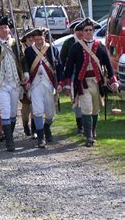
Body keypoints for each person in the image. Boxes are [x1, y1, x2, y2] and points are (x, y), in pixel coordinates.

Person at [62, 18, 119, 147]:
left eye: (90, 30)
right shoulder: (75, 47)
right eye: (85, 30)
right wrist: (66, 83)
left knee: (95, 109)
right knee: (87, 108)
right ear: (82, 32)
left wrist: (113, 81)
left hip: (97, 83)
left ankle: (93, 131)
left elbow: (108, 66)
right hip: (82, 84)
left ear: (93, 31)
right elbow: (69, 66)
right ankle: (88, 136)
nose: (88, 32)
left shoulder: (100, 46)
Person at [0, 17, 27, 152]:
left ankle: (9, 134)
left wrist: (25, 73)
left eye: (6, 27)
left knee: (13, 112)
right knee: (5, 110)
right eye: (1, 28)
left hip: (15, 83)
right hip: (0, 84)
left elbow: (22, 60)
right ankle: (10, 141)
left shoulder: (15, 44)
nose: (4, 30)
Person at [23, 27, 63, 148]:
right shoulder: (29, 51)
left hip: (49, 84)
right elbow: (25, 65)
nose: (39, 41)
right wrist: (26, 77)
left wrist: (60, 82)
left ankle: (46, 127)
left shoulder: (52, 49)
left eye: (40, 39)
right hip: (35, 85)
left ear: (44, 38)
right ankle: (41, 137)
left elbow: (59, 66)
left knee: (50, 114)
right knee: (38, 110)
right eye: (36, 39)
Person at [59, 18, 84, 134]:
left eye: (82, 29)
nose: (80, 32)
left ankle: (88, 125)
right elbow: (63, 62)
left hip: (87, 75)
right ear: (74, 31)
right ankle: (80, 126)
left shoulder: (89, 41)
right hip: (73, 75)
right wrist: (64, 80)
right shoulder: (68, 43)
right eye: (77, 29)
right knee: (76, 100)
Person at [19, 28, 36, 138]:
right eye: (28, 38)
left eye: (32, 37)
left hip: (36, 81)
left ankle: (34, 129)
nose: (31, 39)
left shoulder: (39, 49)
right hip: (24, 82)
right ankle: (25, 125)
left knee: (36, 107)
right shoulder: (20, 51)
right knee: (26, 108)